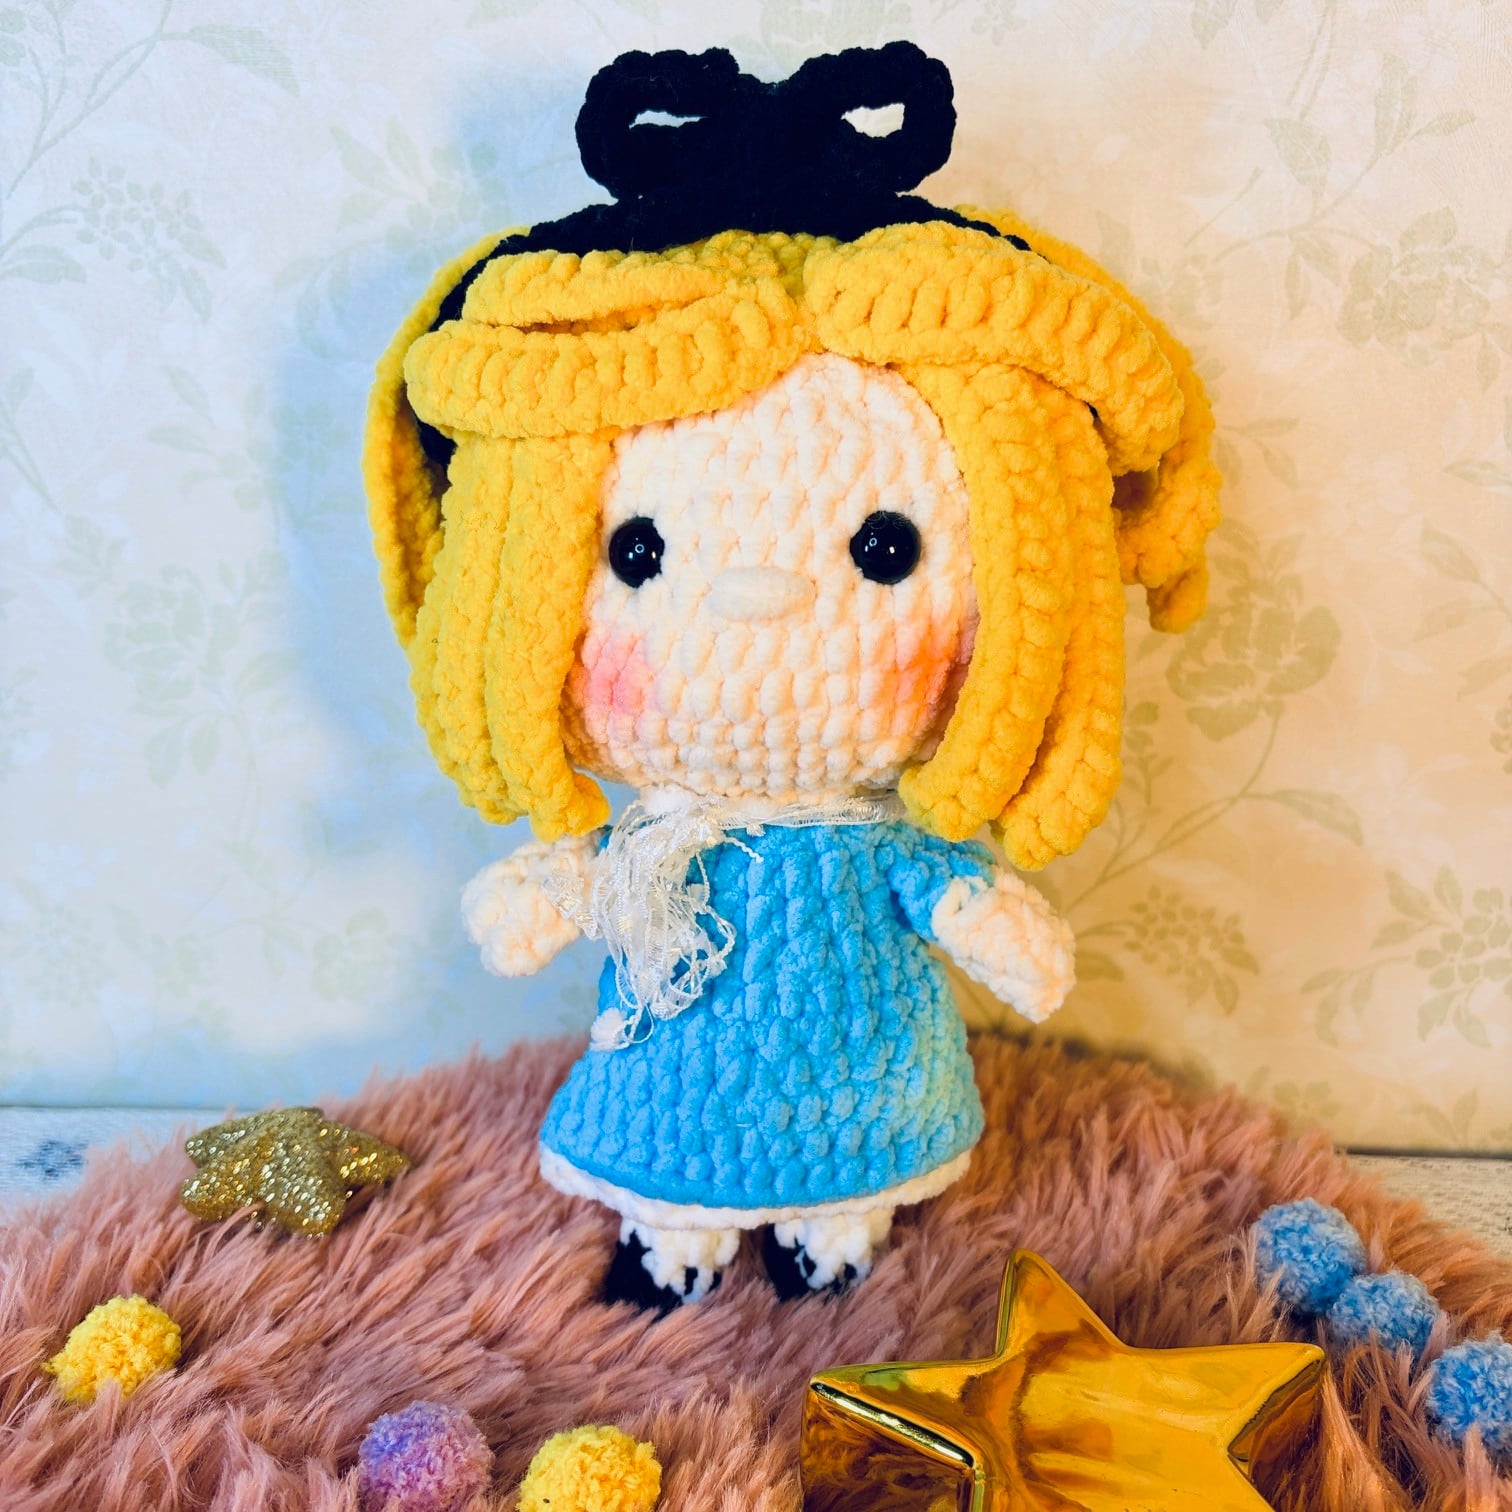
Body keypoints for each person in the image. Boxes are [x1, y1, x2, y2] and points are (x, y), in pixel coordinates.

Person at [364, 43, 1219, 1311]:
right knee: (670, 1153)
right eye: (637, 556)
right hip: (671, 1097)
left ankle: (836, 1227)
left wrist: (989, 915)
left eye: (888, 554)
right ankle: (675, 1232)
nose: (759, 605)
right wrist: (550, 886)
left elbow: (946, 887)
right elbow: (589, 880)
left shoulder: (873, 841)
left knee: (851, 1168)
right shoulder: (655, 848)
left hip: (867, 1097)